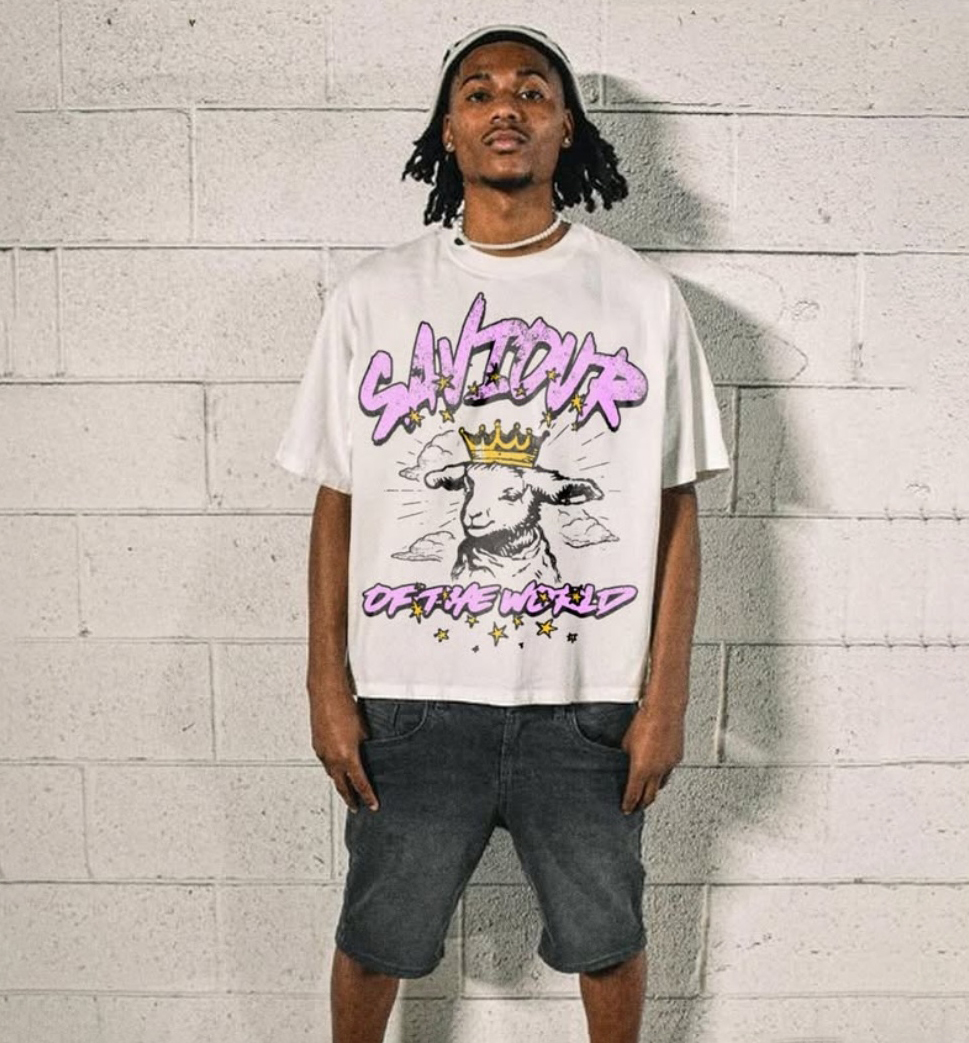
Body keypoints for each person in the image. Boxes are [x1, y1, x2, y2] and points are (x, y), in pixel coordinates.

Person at [276, 24, 729, 1043]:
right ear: (447, 130)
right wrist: (324, 683)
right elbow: (337, 498)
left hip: (586, 702)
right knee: (375, 935)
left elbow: (674, 508)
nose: (505, 107)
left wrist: (664, 697)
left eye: (532, 89)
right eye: (478, 92)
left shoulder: (642, 299)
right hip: (409, 701)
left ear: (566, 126)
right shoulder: (373, 299)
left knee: (606, 932)